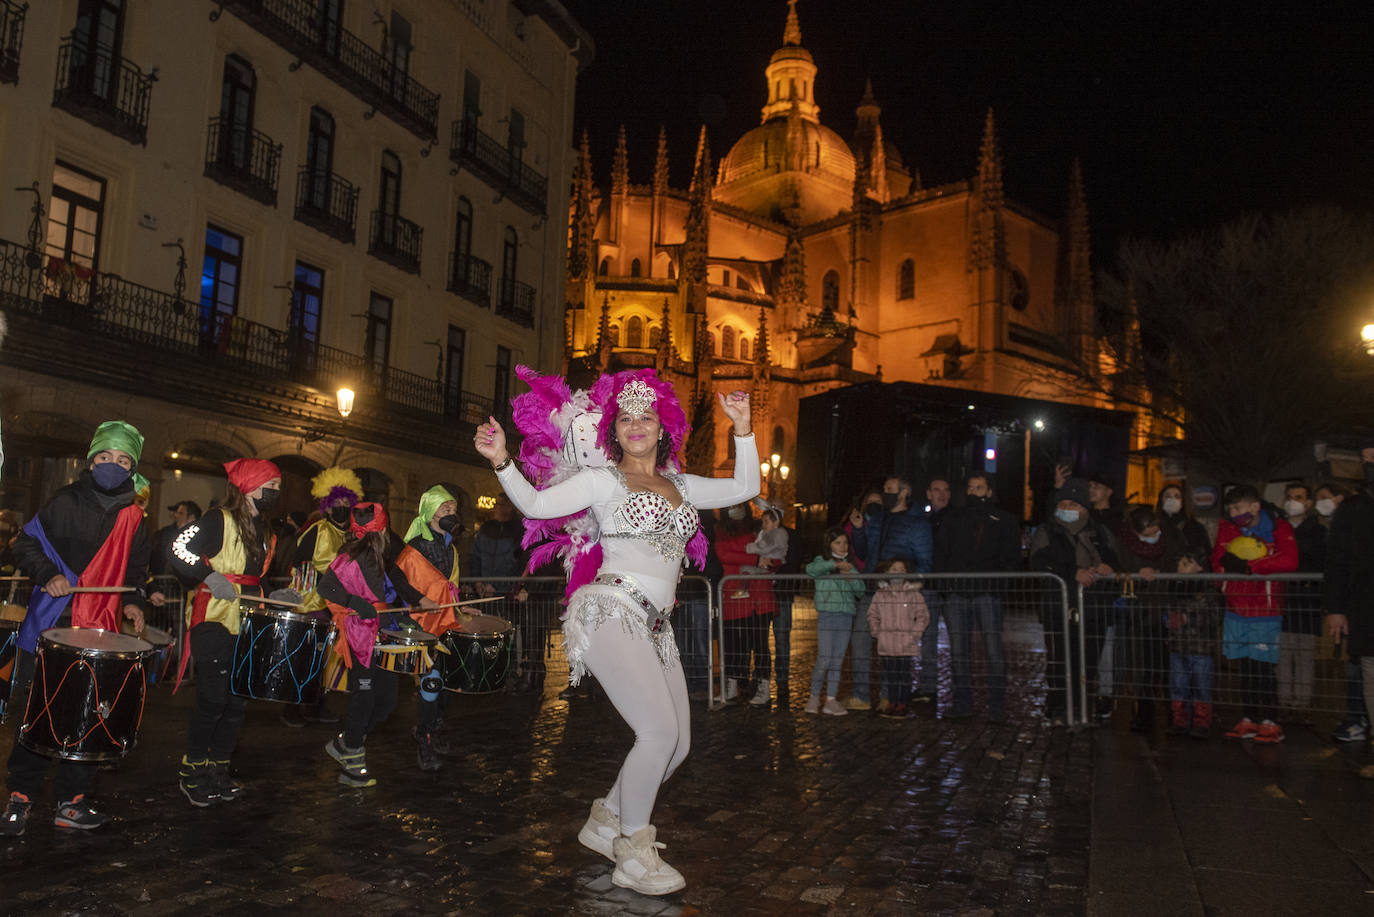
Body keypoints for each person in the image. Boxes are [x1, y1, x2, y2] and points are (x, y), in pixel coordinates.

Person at [476, 367, 757, 896]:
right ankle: (632, 848)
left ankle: (607, 816)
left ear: (662, 426)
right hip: (609, 609)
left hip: (655, 624)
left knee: (678, 747)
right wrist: (502, 463)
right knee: (657, 733)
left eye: (646, 416)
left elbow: (747, 486)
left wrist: (742, 428)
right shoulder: (603, 480)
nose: (635, 425)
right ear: (614, 428)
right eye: (625, 417)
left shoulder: (680, 485)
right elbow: (536, 505)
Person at [1, 421, 150, 836]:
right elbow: (23, 544)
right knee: (37, 713)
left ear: (133, 469)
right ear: (91, 461)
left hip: (98, 626)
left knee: (88, 716)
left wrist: (135, 604)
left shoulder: (135, 518)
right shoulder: (64, 501)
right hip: (51, 622)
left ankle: (73, 801)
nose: (113, 466)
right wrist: (47, 572)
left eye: (123, 461)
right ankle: (21, 796)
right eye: (106, 457)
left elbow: (136, 572)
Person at [170, 458, 288, 807]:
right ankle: (192, 772)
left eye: (278, 488)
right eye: (272, 486)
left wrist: (273, 594)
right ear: (249, 486)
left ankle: (218, 769)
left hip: (249, 622)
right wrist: (208, 576)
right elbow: (178, 548)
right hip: (215, 620)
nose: (276, 494)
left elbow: (257, 578)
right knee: (213, 700)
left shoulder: (266, 531)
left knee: (237, 703)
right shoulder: (216, 520)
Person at [318, 503, 404, 788]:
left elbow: (388, 593)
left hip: (382, 633)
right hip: (360, 635)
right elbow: (326, 587)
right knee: (364, 697)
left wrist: (402, 617)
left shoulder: (380, 556)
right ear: (381, 528)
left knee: (387, 699)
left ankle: (346, 743)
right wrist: (355, 602)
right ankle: (353, 760)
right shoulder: (352, 554)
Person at [1028, 477, 1118, 726]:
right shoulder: (1047, 531)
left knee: (1089, 662)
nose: (1067, 507)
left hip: (1093, 608)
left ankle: (1083, 707)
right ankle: (1057, 705)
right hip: (1059, 607)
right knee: (1059, 660)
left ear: (1084, 507)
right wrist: (1072, 573)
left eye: (1074, 503)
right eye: (1063, 502)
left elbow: (1114, 559)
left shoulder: (1100, 532)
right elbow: (1039, 561)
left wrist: (1107, 567)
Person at [1212, 484, 1298, 744]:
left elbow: (1290, 561)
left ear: (1254, 506)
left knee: (1263, 666)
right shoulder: (1228, 528)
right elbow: (1217, 560)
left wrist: (1250, 566)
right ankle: (1248, 717)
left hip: (1265, 608)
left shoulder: (1278, 527)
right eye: (1230, 509)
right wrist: (1225, 572)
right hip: (1237, 607)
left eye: (1237, 508)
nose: (1233, 513)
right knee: (1245, 666)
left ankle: (1270, 720)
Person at [388, 485, 465, 770]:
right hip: (419, 623)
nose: (451, 514)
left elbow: (450, 588)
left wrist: (462, 606)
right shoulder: (416, 546)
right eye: (445, 509)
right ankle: (424, 737)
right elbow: (397, 578)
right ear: (431, 513)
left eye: (453, 510)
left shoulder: (452, 549)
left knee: (446, 684)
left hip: (446, 622)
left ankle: (435, 723)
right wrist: (418, 599)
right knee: (431, 682)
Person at [935, 472, 1021, 723]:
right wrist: (946, 585)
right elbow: (942, 552)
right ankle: (963, 705)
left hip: (987, 593)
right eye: (971, 488)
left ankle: (997, 708)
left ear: (989, 491)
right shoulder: (953, 518)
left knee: (994, 652)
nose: (974, 492)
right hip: (956, 594)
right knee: (959, 653)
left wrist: (998, 583)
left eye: (979, 487)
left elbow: (1012, 557)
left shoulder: (1004, 520)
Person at [283, 466, 363, 727]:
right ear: (326, 507)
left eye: (345, 502)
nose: (341, 507)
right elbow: (299, 563)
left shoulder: (352, 535)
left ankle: (317, 705)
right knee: (303, 658)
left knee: (325, 660)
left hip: (338, 608)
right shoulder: (317, 530)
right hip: (312, 605)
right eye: (336, 503)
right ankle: (292, 708)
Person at [849, 475, 933, 710]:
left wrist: (913, 584)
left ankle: (890, 697)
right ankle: (861, 695)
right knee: (860, 639)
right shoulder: (877, 519)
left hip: (898, 595)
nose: (885, 493)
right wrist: (857, 531)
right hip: (872, 588)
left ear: (904, 493)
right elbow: (865, 552)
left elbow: (925, 561)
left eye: (889, 489)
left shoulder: (917, 524)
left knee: (892, 647)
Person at [1325, 449, 1374, 770]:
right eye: (1367, 459)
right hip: (1366, 607)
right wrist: (1335, 608)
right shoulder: (1353, 510)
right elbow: (1337, 561)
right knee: (1372, 676)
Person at [1114, 505, 1183, 732]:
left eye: (1155, 530)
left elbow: (1179, 560)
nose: (1153, 535)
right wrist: (1137, 570)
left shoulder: (1170, 537)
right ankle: (1144, 711)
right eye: (1147, 533)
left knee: (1166, 664)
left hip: (1164, 607)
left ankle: (1174, 713)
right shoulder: (1124, 543)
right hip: (1140, 611)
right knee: (1143, 664)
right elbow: (1121, 565)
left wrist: (1162, 571)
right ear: (1135, 532)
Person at [1316, 481, 1367, 742]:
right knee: (1359, 668)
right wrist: (1337, 607)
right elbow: (1338, 564)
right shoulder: (1349, 518)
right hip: (1359, 611)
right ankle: (1357, 718)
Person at [713, 505, 778, 705]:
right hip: (735, 595)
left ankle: (762, 686)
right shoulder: (722, 531)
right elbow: (723, 555)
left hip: (758, 595)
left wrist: (757, 560)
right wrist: (755, 559)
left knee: (759, 644)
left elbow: (773, 557)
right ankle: (732, 686)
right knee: (734, 644)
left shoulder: (758, 529)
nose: (736, 509)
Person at [805, 527, 866, 716]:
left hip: (845, 615)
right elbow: (811, 570)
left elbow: (860, 590)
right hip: (827, 614)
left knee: (837, 660)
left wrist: (851, 578)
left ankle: (831, 699)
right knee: (824, 658)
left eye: (845, 542)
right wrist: (834, 565)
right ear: (829, 544)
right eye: (838, 542)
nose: (842, 546)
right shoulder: (822, 562)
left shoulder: (850, 566)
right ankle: (814, 697)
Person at [1164, 552, 1221, 739]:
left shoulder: (1209, 592)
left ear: (1200, 567)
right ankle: (1179, 721)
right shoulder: (1174, 587)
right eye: (1180, 563)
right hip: (1178, 645)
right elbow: (1167, 611)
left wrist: (1189, 619)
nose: (1181, 567)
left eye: (1187, 563)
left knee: (1201, 686)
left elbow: (1214, 617)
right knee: (1178, 685)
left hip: (1201, 648)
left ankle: (1201, 722)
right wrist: (1168, 619)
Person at [1279, 482, 1324, 715]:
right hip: (1284, 597)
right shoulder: (1279, 528)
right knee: (1285, 650)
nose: (1292, 501)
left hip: (1307, 598)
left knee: (1305, 652)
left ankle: (1303, 699)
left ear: (1308, 503)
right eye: (1289, 497)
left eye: (1298, 497)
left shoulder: (1318, 531)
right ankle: (1284, 697)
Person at [867, 559, 928, 718]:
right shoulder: (881, 594)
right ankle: (892, 701)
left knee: (904, 674)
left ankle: (902, 703)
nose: (897, 571)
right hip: (887, 642)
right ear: (887, 573)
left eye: (901, 569)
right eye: (894, 568)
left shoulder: (913, 594)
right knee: (891, 674)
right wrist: (877, 631)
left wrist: (915, 632)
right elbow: (872, 614)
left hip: (906, 642)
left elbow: (923, 615)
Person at [915, 476, 952, 706]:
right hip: (930, 587)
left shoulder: (956, 518)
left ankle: (960, 689)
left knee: (959, 640)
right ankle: (928, 687)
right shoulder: (923, 521)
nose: (942, 494)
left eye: (946, 490)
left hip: (950, 587)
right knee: (928, 639)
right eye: (937, 490)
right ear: (929, 493)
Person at [1156, 484, 1210, 559]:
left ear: (1182, 503)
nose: (1172, 500)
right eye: (1168, 496)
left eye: (1177, 497)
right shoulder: (1154, 526)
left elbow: (1204, 553)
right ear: (1161, 501)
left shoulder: (1195, 527)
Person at [151, 500, 201, 576]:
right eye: (177, 512)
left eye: (181, 513)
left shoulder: (199, 538)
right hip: (165, 578)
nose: (176, 516)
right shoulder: (165, 534)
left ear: (192, 518)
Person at [742, 500, 787, 574]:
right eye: (762, 521)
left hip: (770, 564)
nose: (763, 525)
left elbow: (765, 546)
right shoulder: (765, 532)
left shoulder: (777, 534)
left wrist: (749, 548)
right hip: (766, 563)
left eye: (766, 522)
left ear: (776, 523)